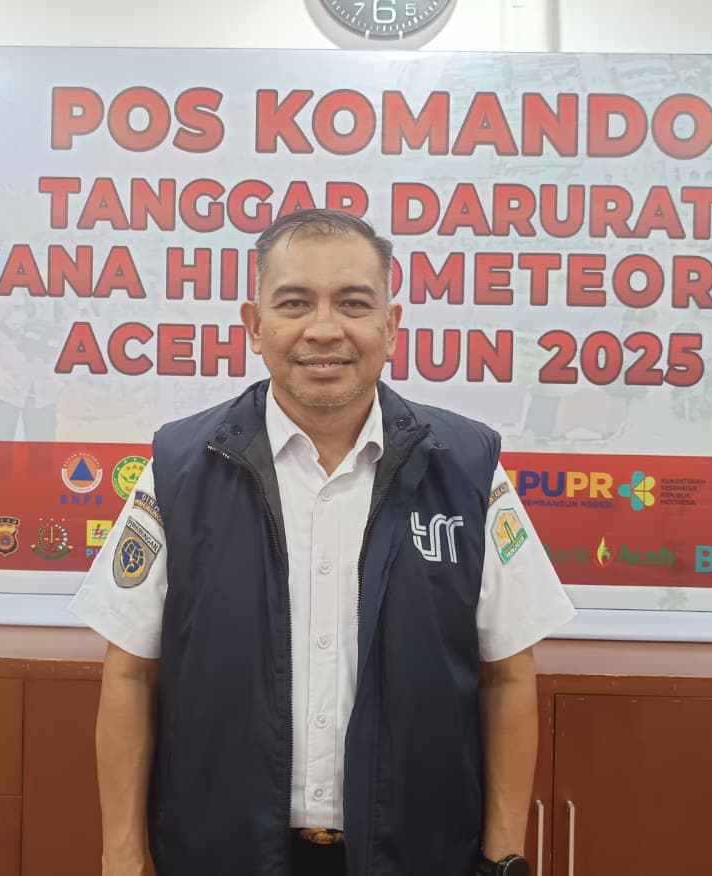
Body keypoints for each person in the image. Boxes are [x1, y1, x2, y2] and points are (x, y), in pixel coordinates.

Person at [69, 208, 576, 876]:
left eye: (353, 303)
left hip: (415, 855)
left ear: (390, 326)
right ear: (255, 325)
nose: (324, 329)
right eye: (295, 303)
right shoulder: (181, 469)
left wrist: (502, 857)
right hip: (222, 853)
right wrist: (122, 856)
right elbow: (130, 670)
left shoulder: (466, 469)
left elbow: (508, 673)